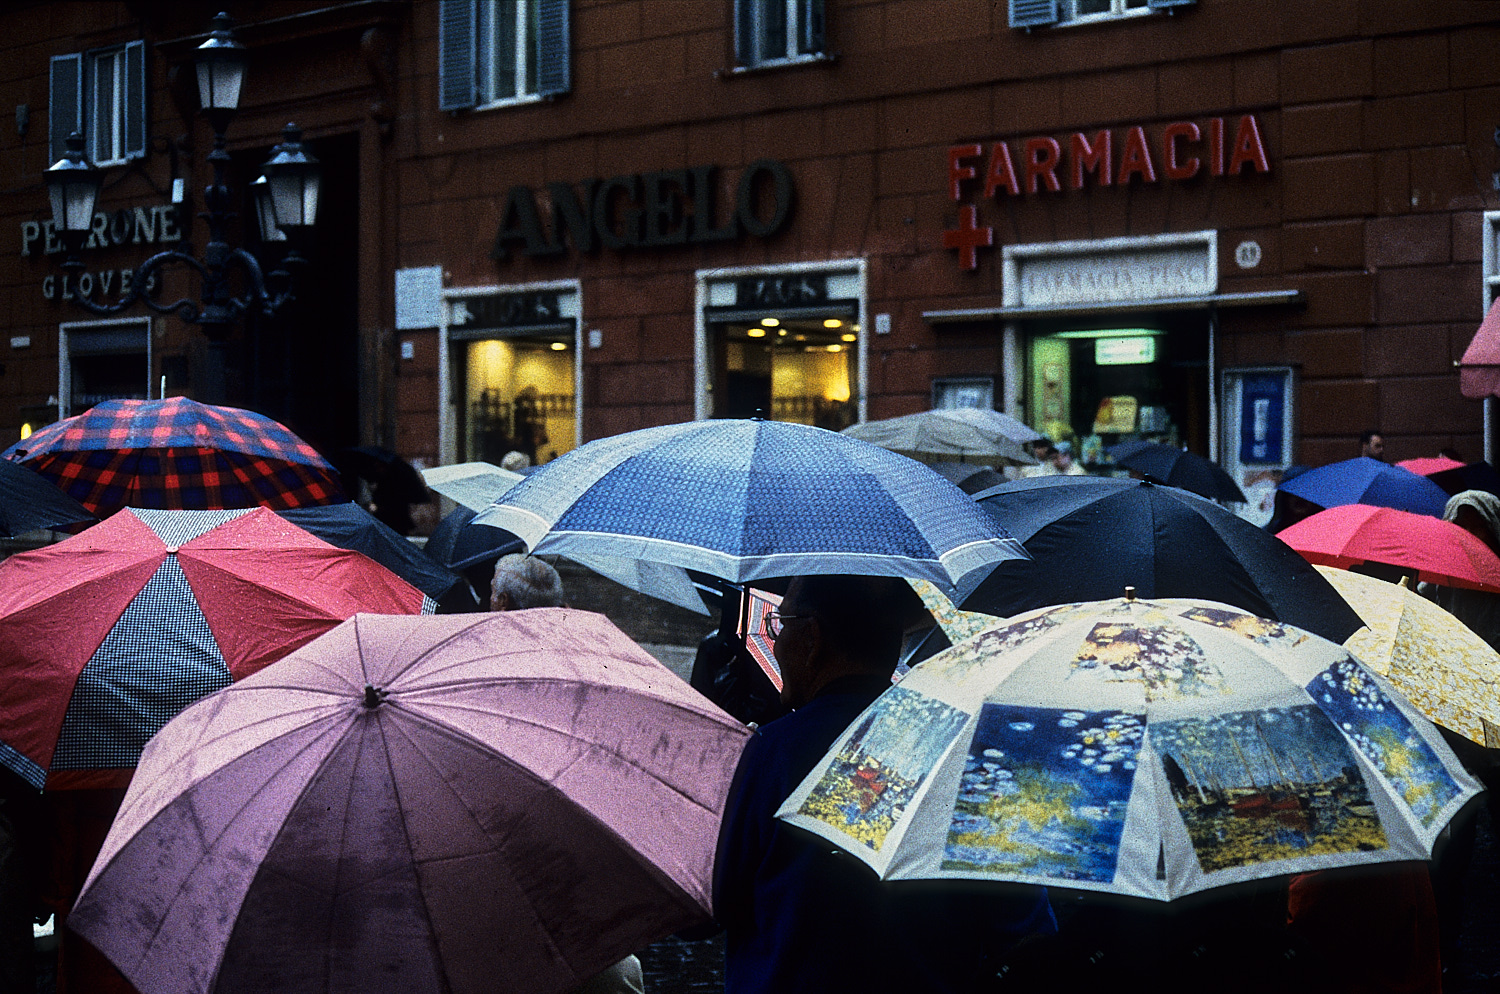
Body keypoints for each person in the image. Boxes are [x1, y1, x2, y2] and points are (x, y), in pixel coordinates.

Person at [713, 574, 1054, 993]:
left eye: (781, 625)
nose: (776, 642)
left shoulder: (772, 753)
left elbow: (716, 902)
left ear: (811, 637)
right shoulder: (969, 754)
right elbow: (1027, 925)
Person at [490, 552, 566, 611]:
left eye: (492, 590)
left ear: (503, 601)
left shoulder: (487, 629)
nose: (490, 599)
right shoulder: (569, 625)